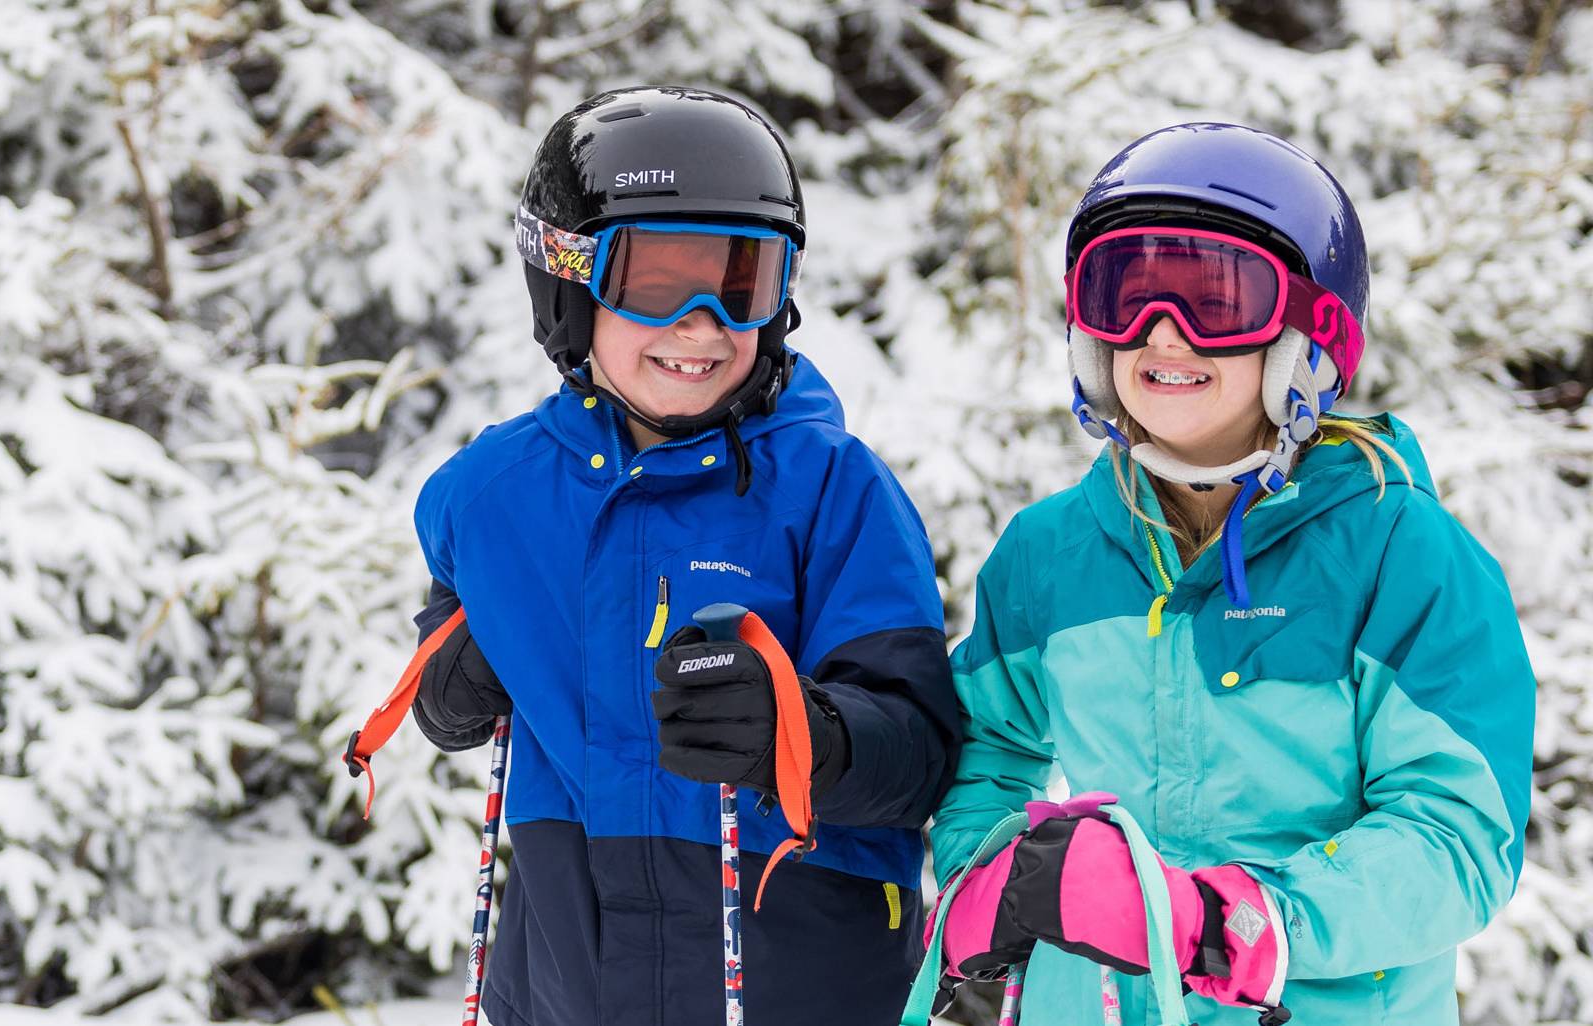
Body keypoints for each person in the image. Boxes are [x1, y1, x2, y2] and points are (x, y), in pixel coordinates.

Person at [922, 123, 1535, 1026]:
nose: (1160, 336)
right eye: (1122, 294)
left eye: (1214, 299)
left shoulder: (1402, 553)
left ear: (1306, 333)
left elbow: (1455, 834)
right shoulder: (1050, 553)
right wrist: (994, 881)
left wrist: (1235, 925)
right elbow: (989, 748)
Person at [405, 85, 959, 1026]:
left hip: (797, 985)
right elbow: (451, 660)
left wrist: (804, 737)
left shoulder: (834, 492)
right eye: (658, 282)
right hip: (565, 989)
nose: (702, 324)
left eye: (742, 282)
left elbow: (922, 752)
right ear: (568, 287)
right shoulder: (492, 496)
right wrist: (444, 690)